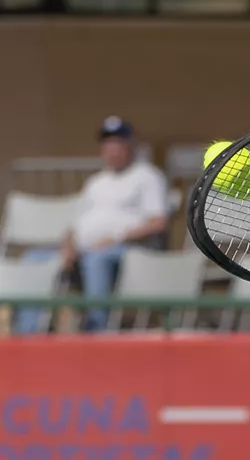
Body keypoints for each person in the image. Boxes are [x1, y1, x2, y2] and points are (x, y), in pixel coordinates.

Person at [60, 115, 172, 330]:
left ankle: (97, 331)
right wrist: (67, 247)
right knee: (35, 258)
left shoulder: (147, 176)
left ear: (130, 146)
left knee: (96, 259)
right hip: (84, 247)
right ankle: (25, 334)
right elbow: (74, 225)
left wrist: (115, 238)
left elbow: (158, 222)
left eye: (118, 143)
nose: (112, 149)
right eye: (108, 143)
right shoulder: (95, 181)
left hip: (128, 249)